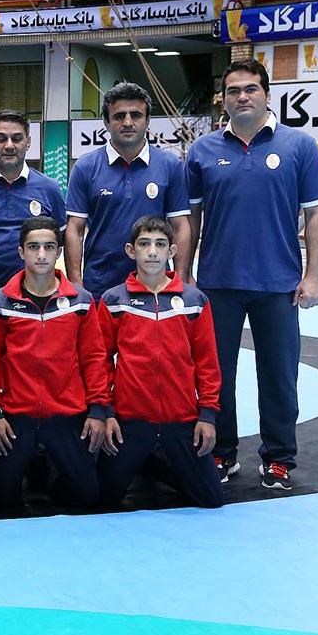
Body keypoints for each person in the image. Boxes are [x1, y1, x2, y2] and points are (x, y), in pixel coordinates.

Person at [186, 58, 318, 490]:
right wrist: (185, 273)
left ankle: (279, 458)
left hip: (278, 285)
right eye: (233, 91)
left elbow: (317, 213)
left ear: (267, 95)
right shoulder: (203, 150)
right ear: (223, 100)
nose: (242, 97)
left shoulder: (299, 146)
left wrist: (314, 276)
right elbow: (189, 218)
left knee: (279, 376)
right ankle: (221, 452)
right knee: (216, 377)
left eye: (250, 88)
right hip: (217, 284)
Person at [97, 216, 224, 509]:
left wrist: (207, 415)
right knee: (102, 497)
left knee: (211, 498)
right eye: (144, 244)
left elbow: (207, 362)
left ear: (172, 251)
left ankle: (153, 462)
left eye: (160, 244)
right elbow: (100, 360)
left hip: (181, 419)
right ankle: (141, 457)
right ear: (131, 251)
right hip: (129, 421)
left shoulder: (194, 301)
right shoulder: (114, 300)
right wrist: (107, 411)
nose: (152, 252)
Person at [0, 217, 108, 510]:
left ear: (59, 252)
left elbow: (94, 358)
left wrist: (98, 409)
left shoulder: (81, 301)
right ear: (21, 252)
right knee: (1, 502)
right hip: (15, 418)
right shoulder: (0, 302)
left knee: (87, 498)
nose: (41, 254)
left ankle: (40, 468)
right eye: (33, 247)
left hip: (66, 415)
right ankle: (29, 461)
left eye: (49, 247)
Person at [65, 82, 191, 298]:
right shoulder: (85, 167)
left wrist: (180, 279)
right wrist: (76, 284)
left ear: (148, 120)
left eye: (136, 115)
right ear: (106, 122)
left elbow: (180, 227)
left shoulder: (170, 165)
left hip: (156, 285)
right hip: (99, 285)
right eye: (119, 116)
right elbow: (75, 230)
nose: (128, 122)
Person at [0, 110, 66, 297]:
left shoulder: (49, 188)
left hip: (37, 296)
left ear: (28, 142)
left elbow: (62, 237)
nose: (9, 145)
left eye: (17, 139)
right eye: (1, 139)